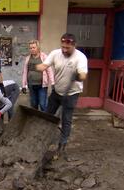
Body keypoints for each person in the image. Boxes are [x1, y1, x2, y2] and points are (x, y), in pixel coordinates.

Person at [35, 33, 88, 161]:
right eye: (63, 47)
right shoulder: (55, 53)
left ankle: (61, 146)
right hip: (56, 91)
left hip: (71, 94)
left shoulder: (80, 57)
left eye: (67, 48)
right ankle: (42, 140)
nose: (64, 50)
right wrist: (39, 67)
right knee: (48, 115)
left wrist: (79, 75)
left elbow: (83, 75)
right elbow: (44, 65)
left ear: (74, 45)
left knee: (66, 119)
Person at [21, 40, 54, 111]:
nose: (32, 49)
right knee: (34, 104)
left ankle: (45, 120)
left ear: (38, 47)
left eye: (33, 47)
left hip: (42, 85)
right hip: (31, 85)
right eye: (30, 48)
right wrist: (23, 85)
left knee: (42, 104)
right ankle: (35, 120)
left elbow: (49, 70)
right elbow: (25, 72)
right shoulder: (28, 58)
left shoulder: (44, 57)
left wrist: (53, 82)